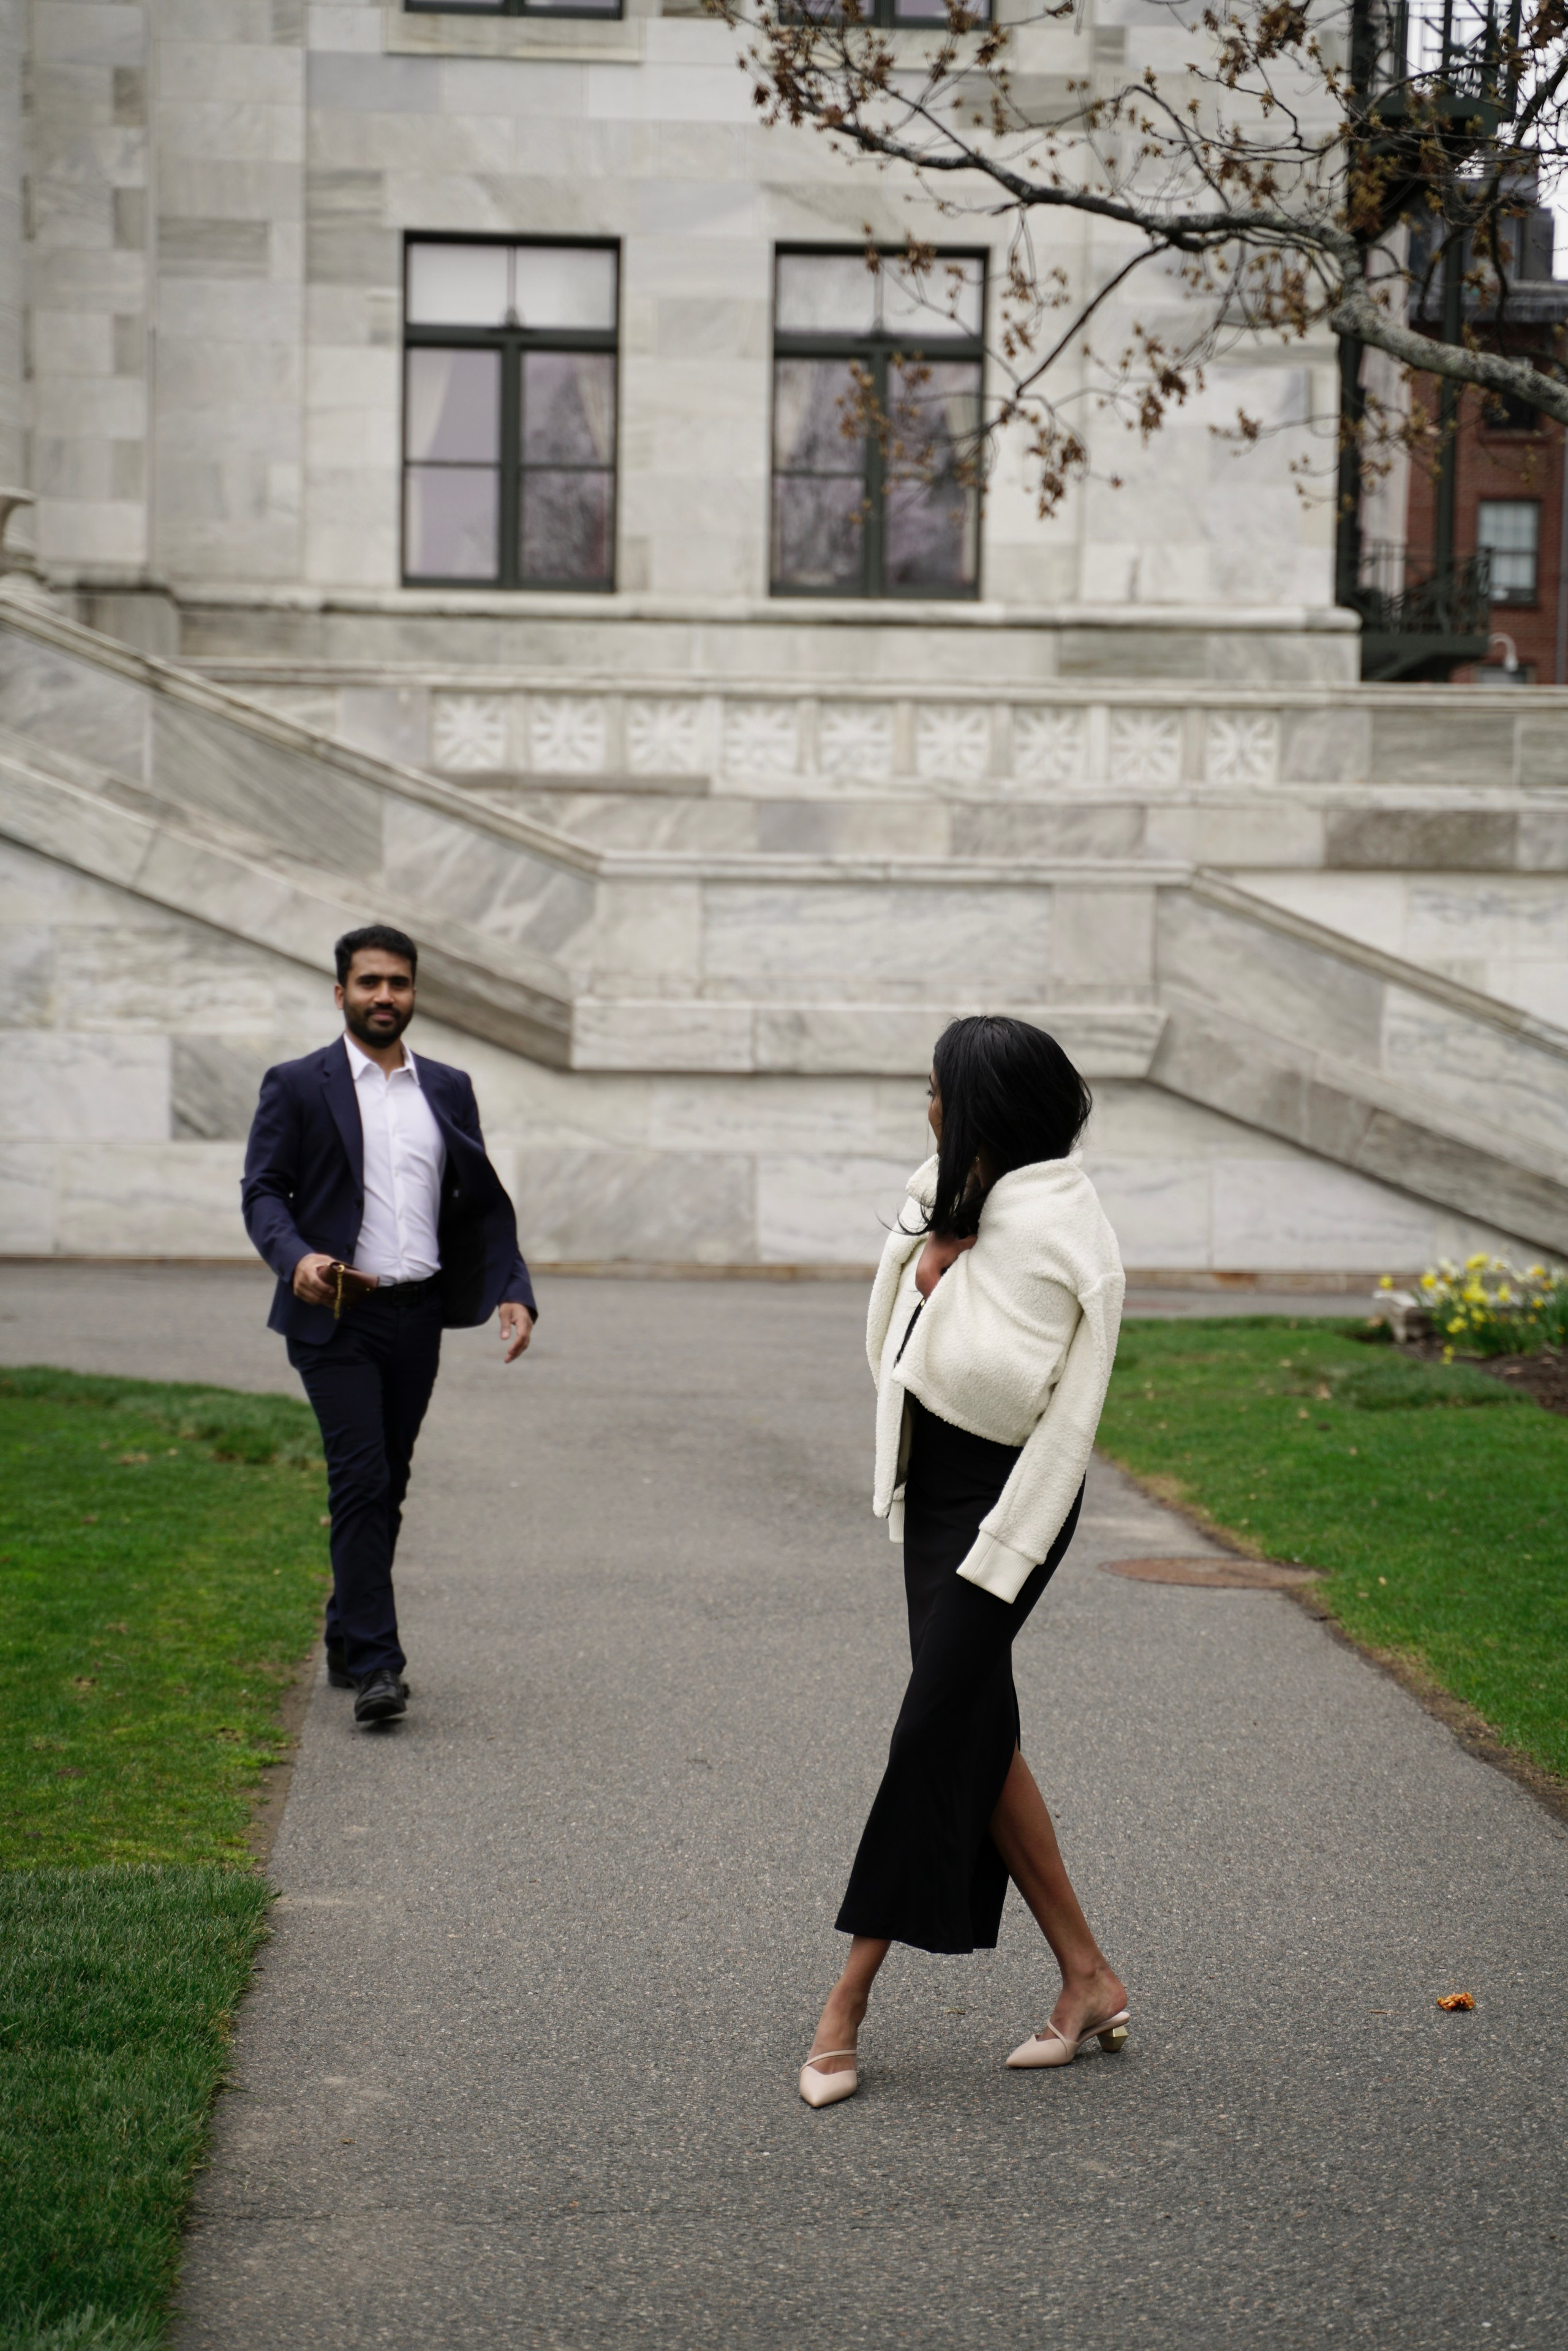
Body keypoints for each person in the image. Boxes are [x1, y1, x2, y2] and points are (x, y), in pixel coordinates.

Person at [800, 1014, 1127, 2107]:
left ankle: (844, 2003)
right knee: (977, 1731)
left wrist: (940, 1285)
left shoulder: (1060, 1227)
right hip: (934, 1491)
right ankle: (1088, 1976)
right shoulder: (944, 1183)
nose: (925, 1105)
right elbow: (882, 1346)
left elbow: (1007, 1388)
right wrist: (930, 1265)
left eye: (938, 1088)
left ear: (982, 1098)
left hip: (1007, 1506)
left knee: (931, 1732)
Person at [241, 924, 537, 1727]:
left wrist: (514, 1285)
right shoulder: (298, 1084)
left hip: (419, 1315)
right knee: (363, 1478)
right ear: (340, 993)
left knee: (389, 1483)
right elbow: (263, 1190)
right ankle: (379, 1665)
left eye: (398, 983)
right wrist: (294, 1255)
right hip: (335, 1315)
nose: (384, 996)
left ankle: (344, 1629)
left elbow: (478, 1201)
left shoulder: (446, 1086)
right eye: (369, 982)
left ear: (413, 993)